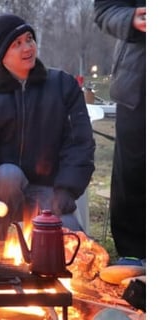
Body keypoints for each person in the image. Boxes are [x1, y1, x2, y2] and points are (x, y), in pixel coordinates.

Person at [0, 14, 96, 243]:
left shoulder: (63, 86)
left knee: (74, 249)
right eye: (17, 44)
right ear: (2, 54)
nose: (27, 48)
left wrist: (67, 189)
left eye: (29, 39)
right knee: (8, 174)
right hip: (1, 191)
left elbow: (79, 143)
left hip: (50, 193)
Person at [94, 1, 146, 266]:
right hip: (140, 84)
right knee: (133, 171)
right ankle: (133, 253)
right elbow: (105, 9)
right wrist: (132, 18)